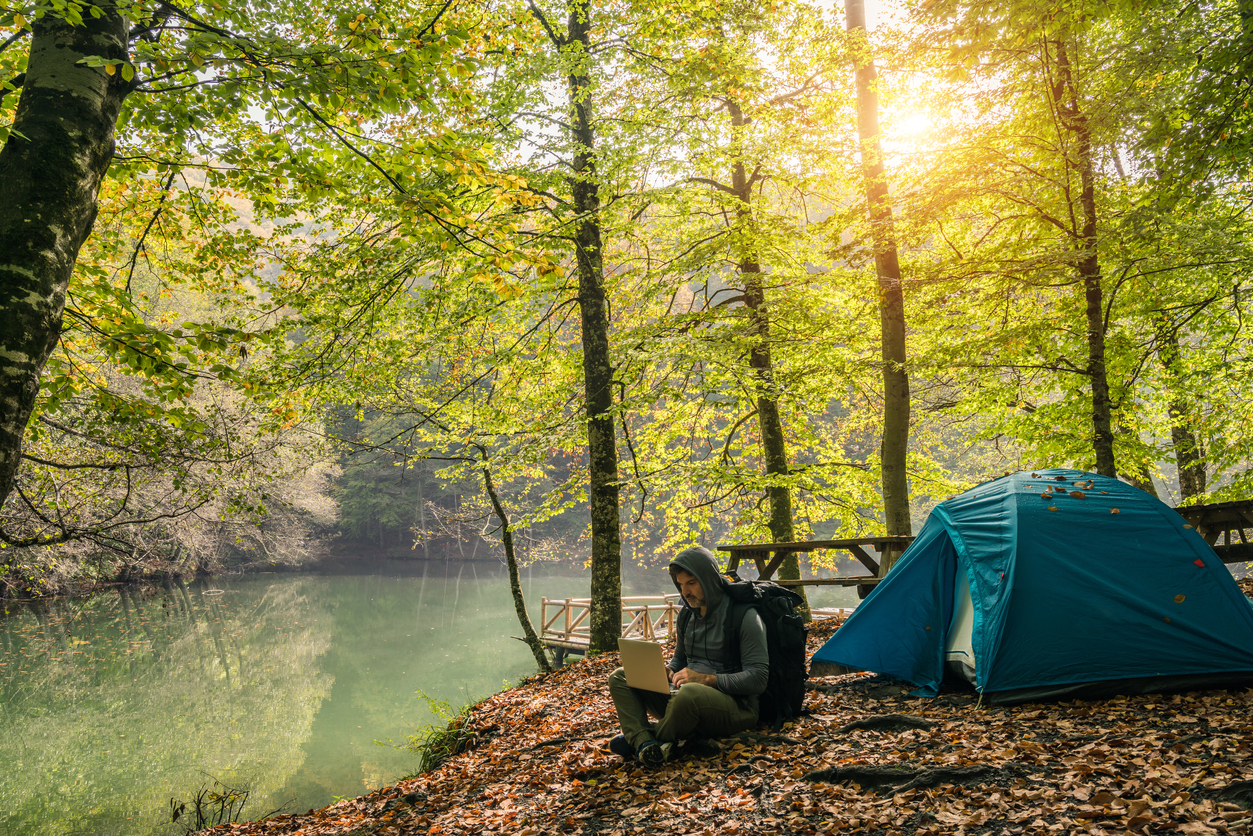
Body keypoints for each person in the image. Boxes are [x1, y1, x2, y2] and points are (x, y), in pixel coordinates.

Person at [606, 545, 768, 767]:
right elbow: (679, 659)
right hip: (682, 701)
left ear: (709, 579)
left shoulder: (744, 616)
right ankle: (645, 745)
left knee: (689, 692)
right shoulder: (686, 616)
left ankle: (645, 738)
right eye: (681, 585)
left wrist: (706, 679)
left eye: (691, 583)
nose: (685, 592)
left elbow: (758, 678)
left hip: (735, 707)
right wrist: (669, 671)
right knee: (620, 676)